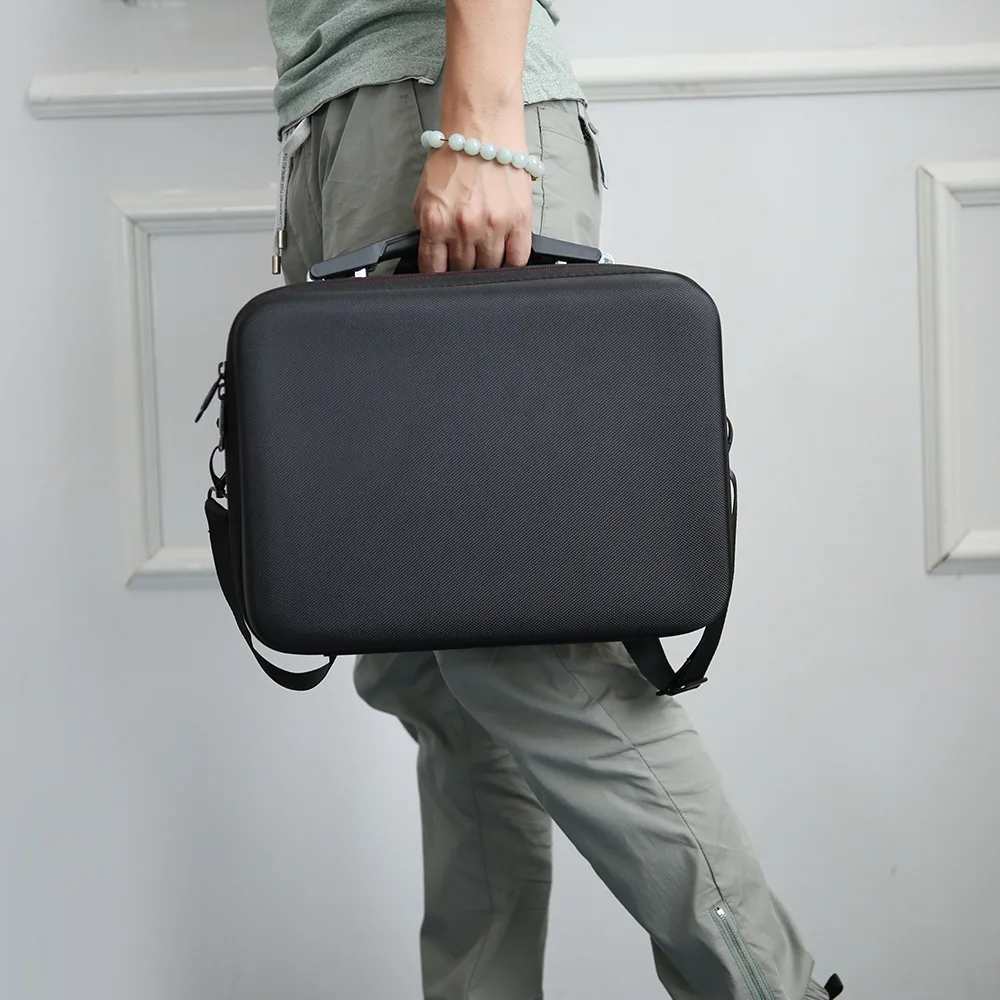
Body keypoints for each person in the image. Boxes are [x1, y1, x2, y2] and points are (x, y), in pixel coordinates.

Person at [265, 3, 842, 998]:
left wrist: (475, 126)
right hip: (353, 120)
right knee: (432, 673)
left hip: (436, 108)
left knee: (538, 660)